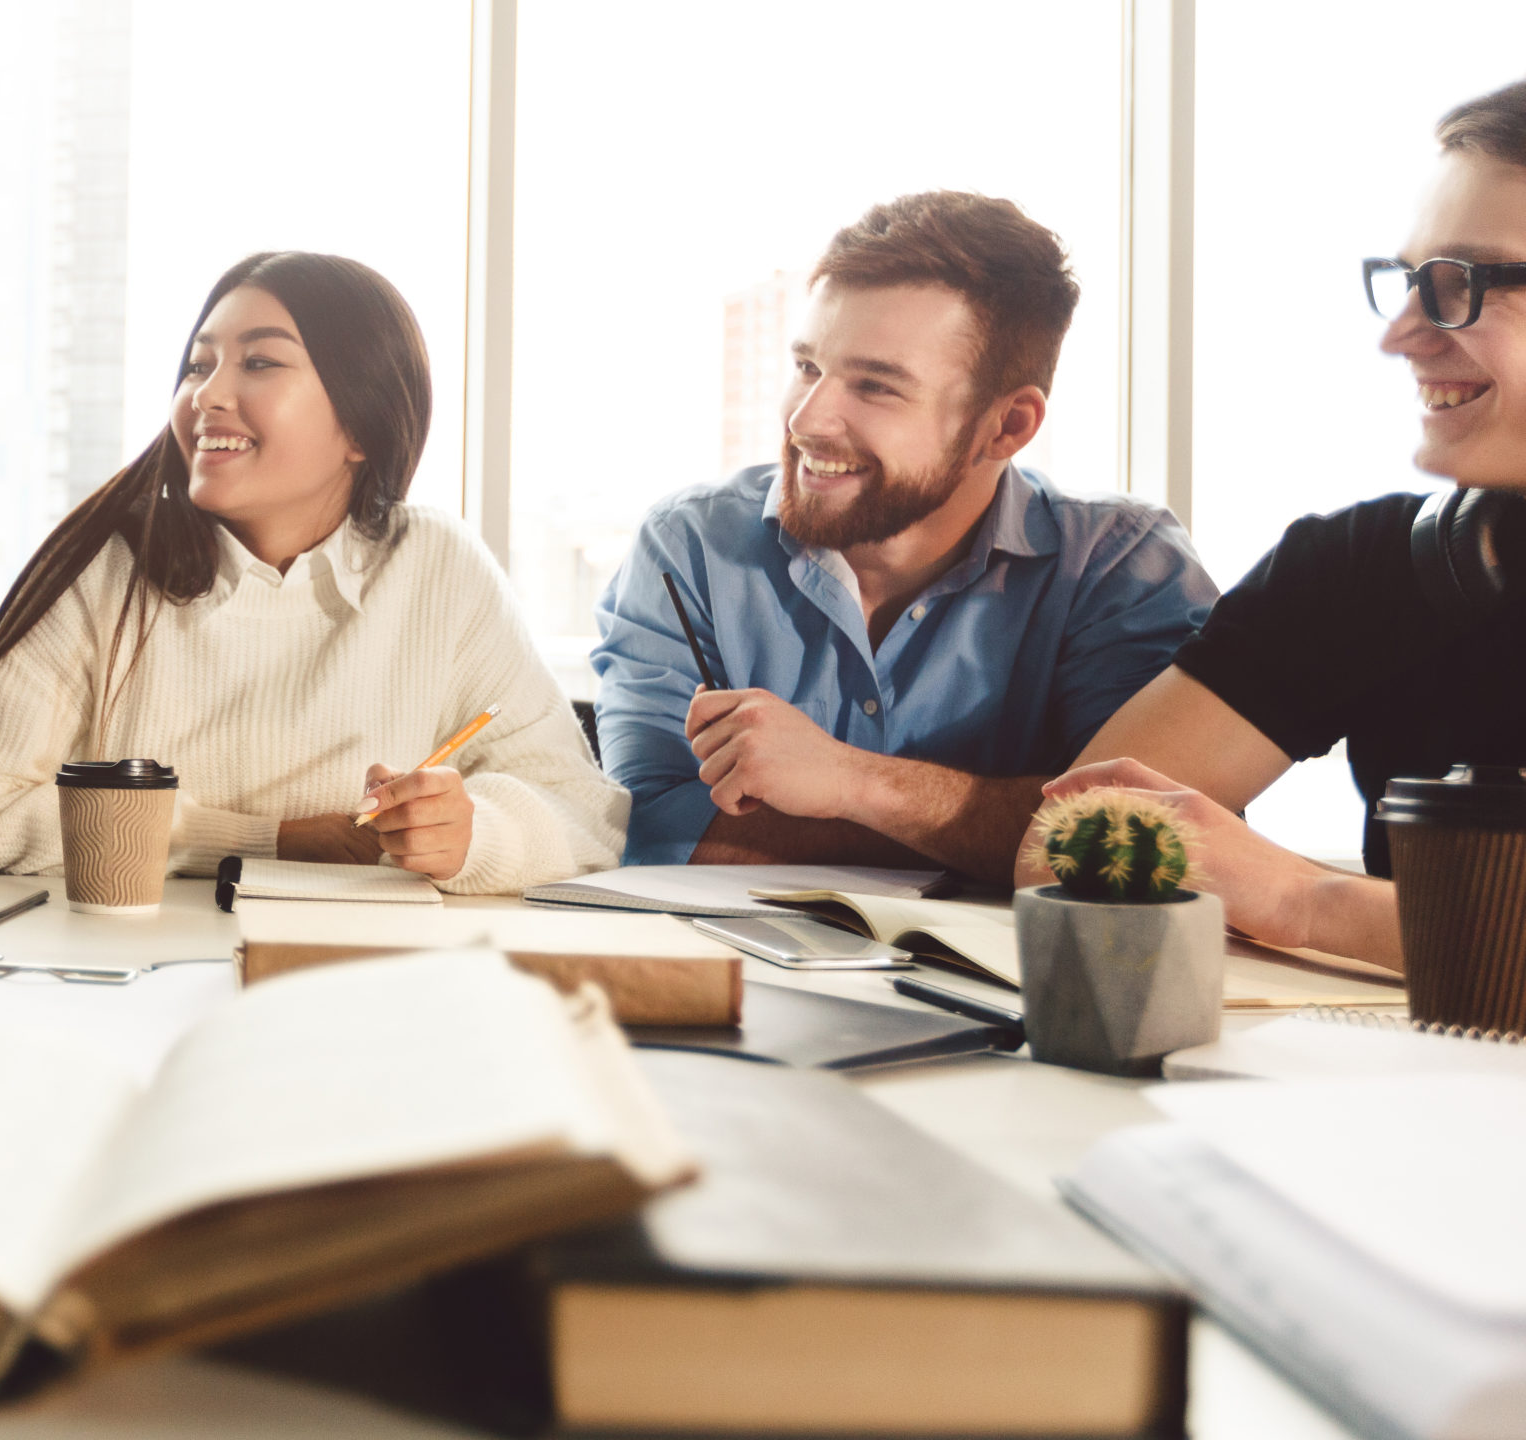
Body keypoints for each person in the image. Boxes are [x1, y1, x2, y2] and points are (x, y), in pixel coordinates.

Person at [0, 252, 625, 891]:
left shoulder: (436, 564)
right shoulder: (107, 566)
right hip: (121, 981)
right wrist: (260, 842)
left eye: (259, 363)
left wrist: (473, 834)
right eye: (199, 366)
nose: (206, 396)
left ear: (360, 425)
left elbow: (582, 812)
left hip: (359, 981)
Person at [1035, 79, 1526, 969]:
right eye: (1408, 282)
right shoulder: (1359, 572)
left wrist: (1310, 902)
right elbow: (1061, 844)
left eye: (1460, 285)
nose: (1400, 335)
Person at [590, 192, 1217, 882]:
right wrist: (1008, 837)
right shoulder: (690, 547)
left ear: (1007, 426)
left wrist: (855, 784)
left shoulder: (1120, 566)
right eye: (807, 367)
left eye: (876, 387)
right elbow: (646, 827)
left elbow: (1161, 843)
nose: (808, 420)